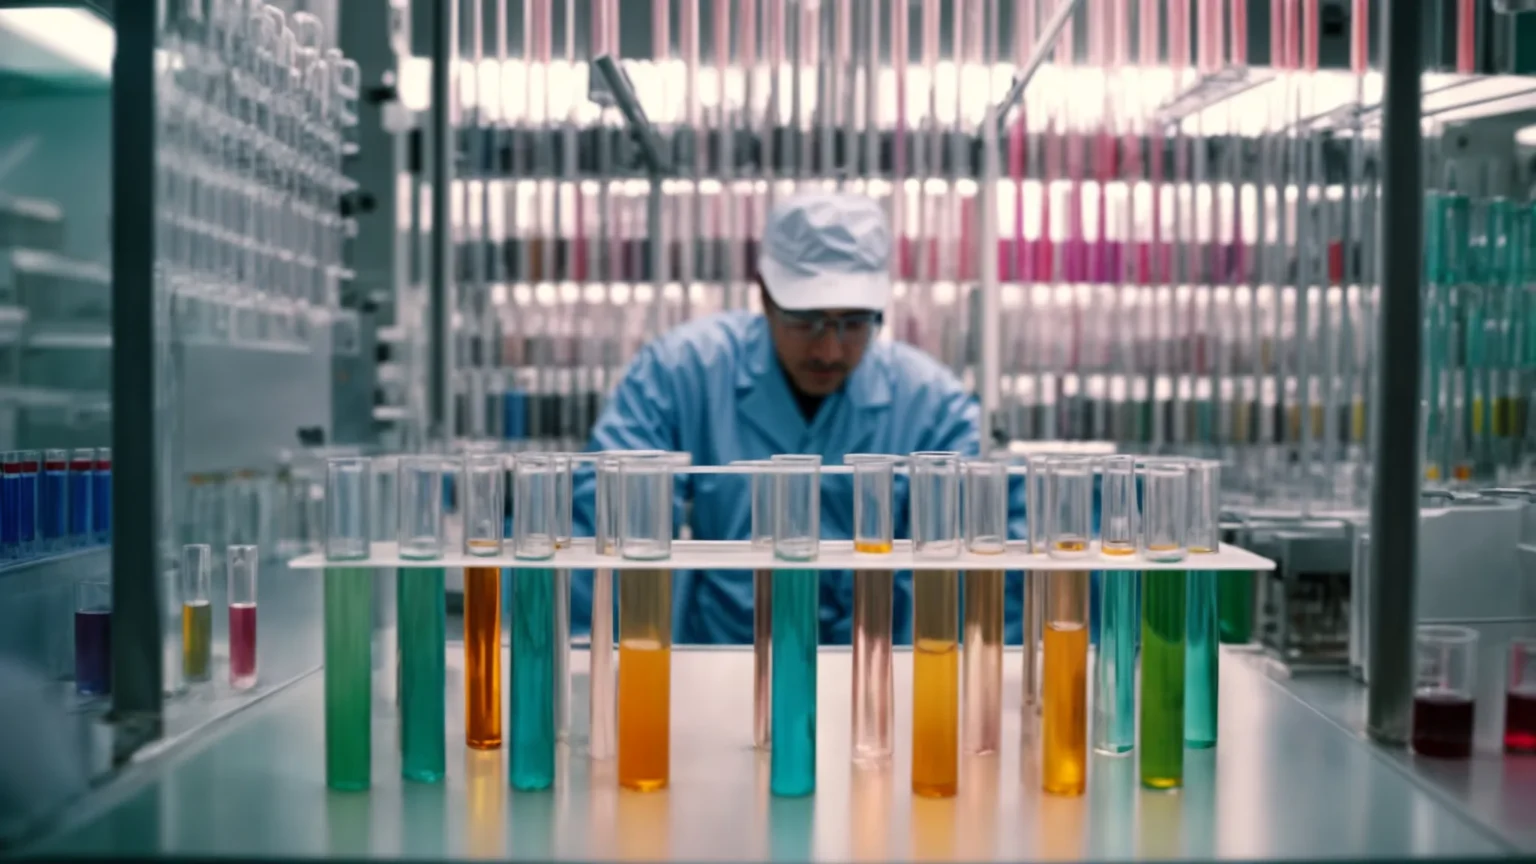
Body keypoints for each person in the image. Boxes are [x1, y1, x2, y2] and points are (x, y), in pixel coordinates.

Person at [571, 190, 1025, 644]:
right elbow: (606, 518)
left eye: (853, 323)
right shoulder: (681, 372)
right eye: (805, 321)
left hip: (876, 673)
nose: (829, 349)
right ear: (765, 298)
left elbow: (995, 538)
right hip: (718, 665)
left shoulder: (930, 403)